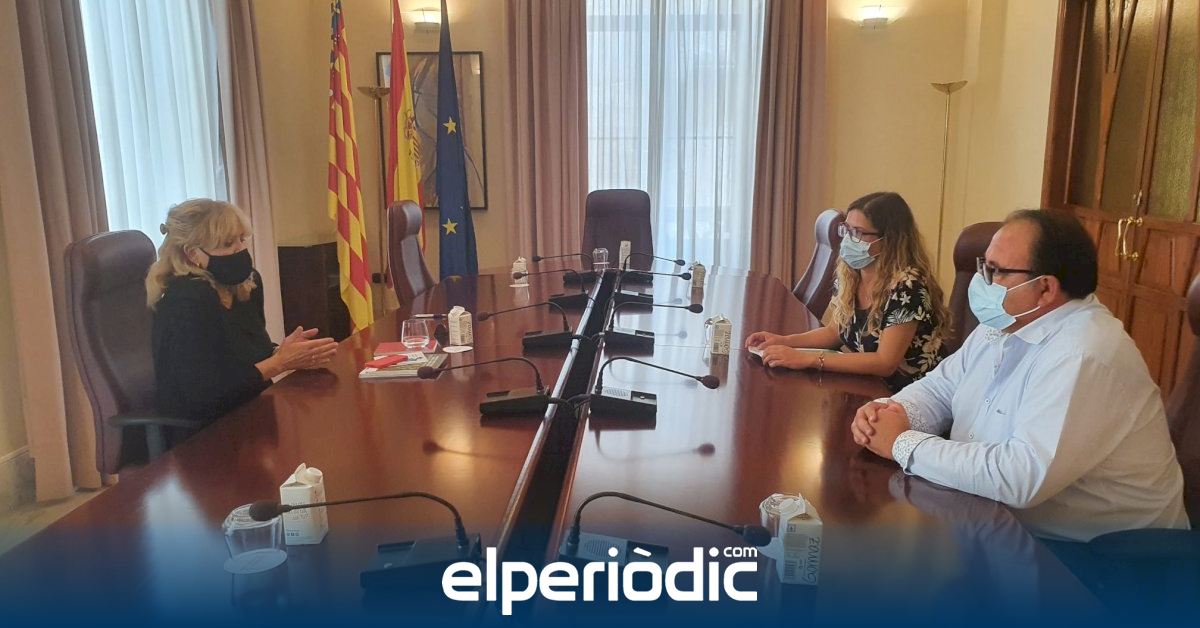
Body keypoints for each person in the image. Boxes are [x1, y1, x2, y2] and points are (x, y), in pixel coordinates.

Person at [851, 209, 1189, 541]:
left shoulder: (1084, 353)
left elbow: (1021, 477)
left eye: (995, 271)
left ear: (1045, 289)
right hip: (995, 522)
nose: (982, 281)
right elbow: (941, 387)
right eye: (983, 266)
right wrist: (892, 412)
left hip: (1098, 554)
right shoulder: (1004, 323)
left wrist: (903, 444)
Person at [148, 199, 337, 425]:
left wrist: (285, 352)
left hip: (253, 409)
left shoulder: (246, 286)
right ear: (192, 254)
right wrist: (279, 363)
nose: (240, 249)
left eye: (241, 239)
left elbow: (248, 353)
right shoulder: (184, 302)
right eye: (228, 243)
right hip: (206, 430)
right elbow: (203, 395)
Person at [745, 192, 950, 391]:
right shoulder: (851, 273)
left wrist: (807, 359)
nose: (849, 240)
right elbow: (834, 333)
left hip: (910, 393)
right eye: (847, 230)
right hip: (865, 384)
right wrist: (783, 341)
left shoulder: (908, 287)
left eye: (858, 233)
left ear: (889, 240)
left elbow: (885, 363)